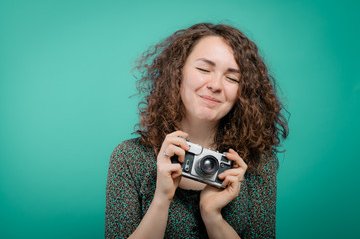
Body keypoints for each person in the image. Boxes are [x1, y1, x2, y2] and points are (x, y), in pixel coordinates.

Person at [105, 23, 289, 239]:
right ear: (177, 72)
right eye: (204, 69)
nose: (215, 85)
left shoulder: (255, 163)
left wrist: (212, 216)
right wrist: (161, 198)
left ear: (243, 91)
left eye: (232, 78)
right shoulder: (130, 158)